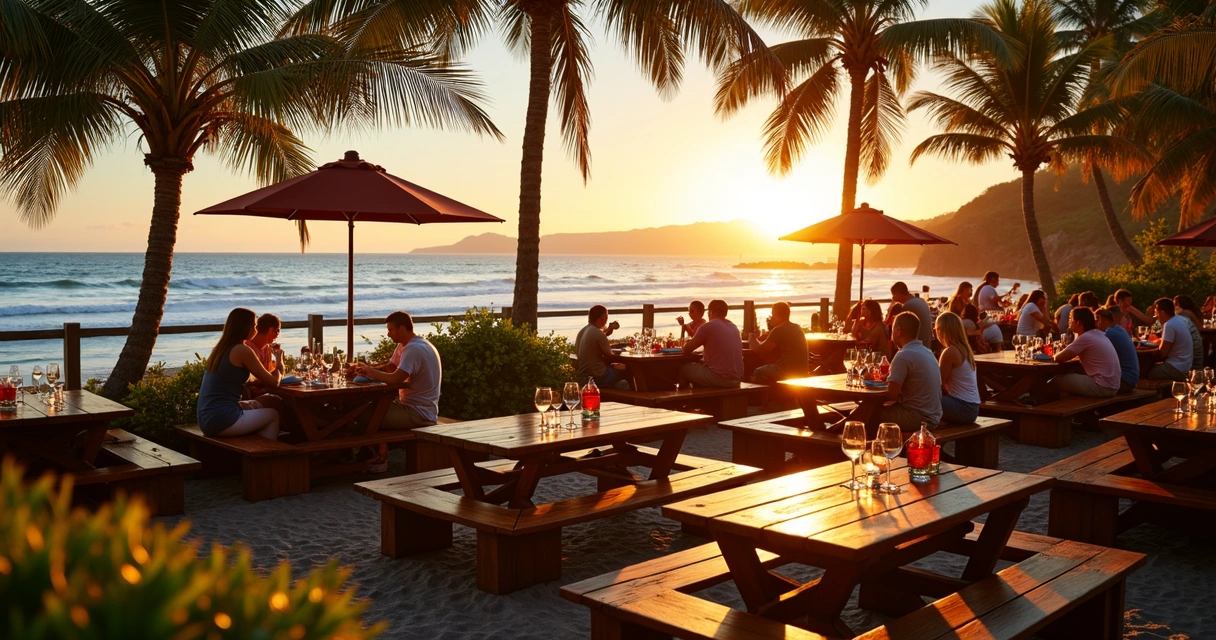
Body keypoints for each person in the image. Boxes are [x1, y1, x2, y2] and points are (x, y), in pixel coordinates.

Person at [198, 308, 283, 440]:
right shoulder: (242, 350)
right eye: (254, 326)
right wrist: (279, 363)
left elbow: (252, 379)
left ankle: (256, 446)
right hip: (222, 419)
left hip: (206, 417)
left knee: (268, 401)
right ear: (246, 328)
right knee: (273, 415)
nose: (256, 330)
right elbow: (274, 383)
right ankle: (265, 455)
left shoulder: (220, 349)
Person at [877, 312, 942, 430]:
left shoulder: (903, 356)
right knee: (867, 410)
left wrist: (871, 393)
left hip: (919, 418)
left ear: (898, 331)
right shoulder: (927, 352)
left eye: (892, 330)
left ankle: (866, 444)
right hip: (934, 416)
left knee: (871, 413)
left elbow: (892, 394)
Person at [1045, 307, 1121, 399]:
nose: (1069, 321)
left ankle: (1040, 405)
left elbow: (1058, 358)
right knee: (1068, 379)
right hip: (1113, 385)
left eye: (1071, 319)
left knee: (1053, 381)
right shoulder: (1099, 334)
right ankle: (1066, 404)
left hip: (1102, 386)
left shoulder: (1086, 337)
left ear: (1079, 322)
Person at [680, 299, 743, 388]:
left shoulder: (708, 326)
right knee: (700, 369)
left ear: (711, 312)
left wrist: (687, 341)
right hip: (736, 379)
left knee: (685, 369)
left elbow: (686, 349)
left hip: (719, 378)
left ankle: (687, 400)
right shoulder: (734, 327)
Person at [935, 313, 980, 424]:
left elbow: (939, 383)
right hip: (973, 408)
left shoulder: (950, 352)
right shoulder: (965, 349)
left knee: (922, 399)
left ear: (942, 330)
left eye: (936, 330)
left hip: (962, 407)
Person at [749, 302, 809, 384]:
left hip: (787, 372)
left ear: (778, 315)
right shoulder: (797, 328)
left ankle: (772, 395)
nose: (771, 317)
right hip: (802, 372)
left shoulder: (779, 330)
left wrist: (751, 338)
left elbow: (760, 350)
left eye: (773, 314)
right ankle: (779, 393)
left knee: (758, 372)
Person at [575, 305, 628, 389]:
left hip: (583, 376)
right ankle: (635, 399)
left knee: (617, 369)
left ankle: (617, 391)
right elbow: (610, 355)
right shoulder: (597, 333)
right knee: (628, 370)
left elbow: (595, 343)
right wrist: (623, 352)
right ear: (603, 317)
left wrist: (608, 331)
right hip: (598, 377)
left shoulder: (583, 331)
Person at [1146, 298, 1193, 381]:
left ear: (1162, 312)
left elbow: (1163, 353)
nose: (1156, 317)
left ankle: (1159, 393)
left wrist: (1148, 351)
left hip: (1177, 367)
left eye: (1157, 313)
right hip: (1186, 365)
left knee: (1148, 372)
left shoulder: (1169, 325)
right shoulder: (1179, 320)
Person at [1097, 306, 1139, 393]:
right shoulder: (1118, 329)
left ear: (1100, 319)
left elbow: (1097, 355)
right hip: (1131, 379)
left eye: (1095, 320)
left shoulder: (1109, 333)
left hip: (1124, 381)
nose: (1095, 324)